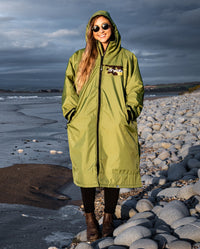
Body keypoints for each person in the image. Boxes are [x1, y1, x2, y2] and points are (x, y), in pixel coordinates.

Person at [62, 10, 144, 242]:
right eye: (95, 27)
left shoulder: (126, 58)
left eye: (104, 26)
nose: (100, 31)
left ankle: (108, 218)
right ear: (90, 31)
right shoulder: (79, 57)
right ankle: (90, 219)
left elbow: (136, 88)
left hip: (114, 123)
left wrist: (128, 111)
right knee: (86, 171)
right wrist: (71, 112)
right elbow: (68, 87)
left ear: (112, 27)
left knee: (112, 169)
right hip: (84, 125)